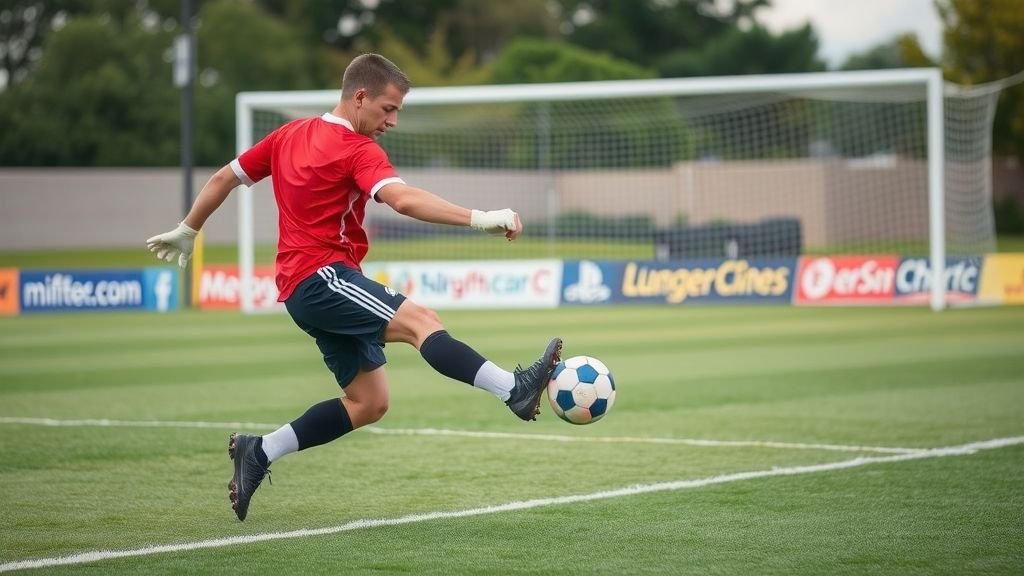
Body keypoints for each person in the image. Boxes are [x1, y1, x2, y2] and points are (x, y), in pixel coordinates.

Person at [146, 53, 562, 522]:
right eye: (388, 108)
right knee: (421, 322)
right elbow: (402, 199)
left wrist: (188, 228)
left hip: (303, 288)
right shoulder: (357, 150)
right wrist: (481, 218)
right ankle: (512, 389)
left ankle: (259, 450)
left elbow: (226, 177)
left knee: (369, 403)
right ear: (360, 96)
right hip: (322, 277)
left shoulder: (289, 134)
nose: (393, 121)